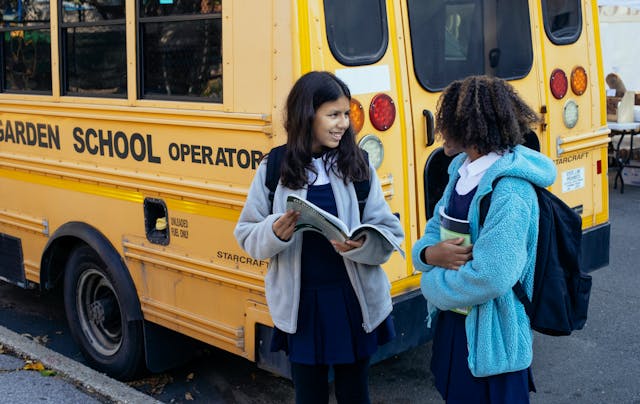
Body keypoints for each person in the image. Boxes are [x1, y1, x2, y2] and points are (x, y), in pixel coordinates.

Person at [234, 71, 404, 404]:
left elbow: (388, 231)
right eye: (333, 115)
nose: (343, 123)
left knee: (355, 394)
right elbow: (246, 234)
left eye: (345, 114)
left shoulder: (357, 164)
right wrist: (273, 232)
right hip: (301, 306)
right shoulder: (275, 167)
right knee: (308, 396)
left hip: (353, 301)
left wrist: (363, 243)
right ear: (306, 115)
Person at [411, 75, 556, 403]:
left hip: (494, 338)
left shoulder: (510, 189)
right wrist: (429, 254)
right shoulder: (461, 171)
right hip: (456, 326)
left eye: (446, 120)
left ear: (470, 127)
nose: (439, 129)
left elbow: (492, 276)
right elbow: (432, 230)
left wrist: (431, 284)